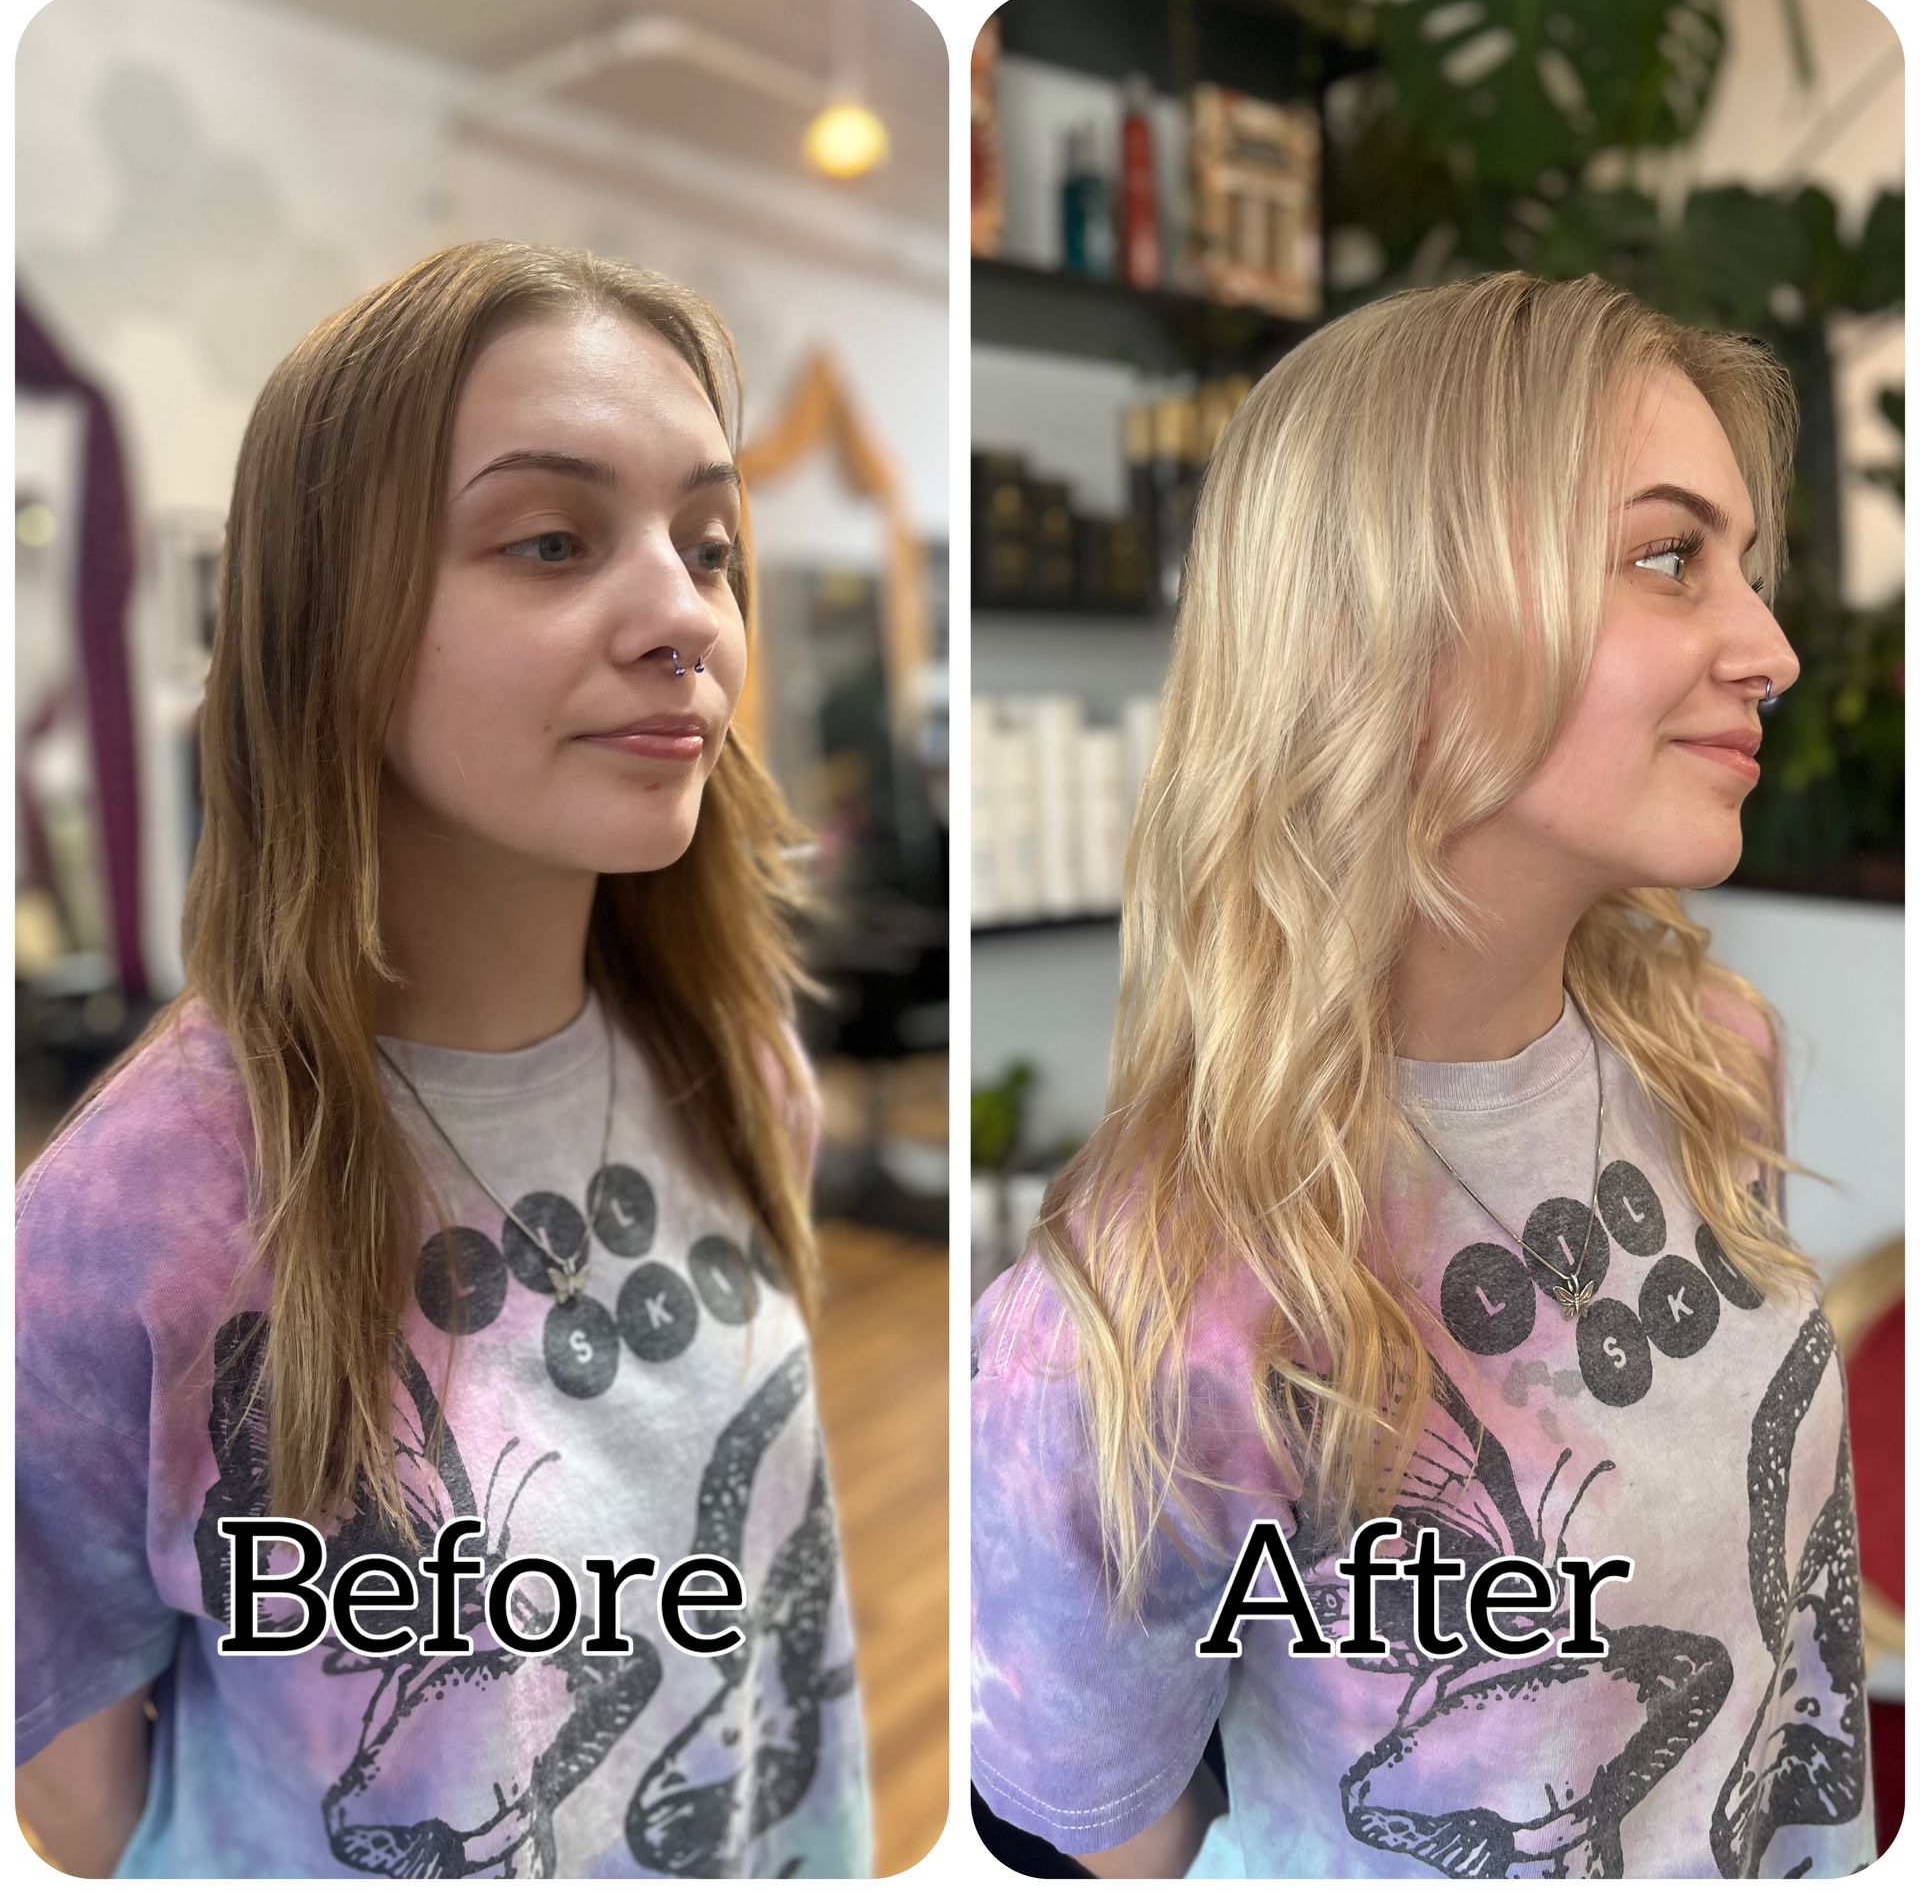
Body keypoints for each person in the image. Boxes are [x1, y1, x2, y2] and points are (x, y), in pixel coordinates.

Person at [970, 270, 1876, 1878]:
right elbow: (1110, 1841)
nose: (1773, 649)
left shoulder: (1708, 1056)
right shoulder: (1152, 1311)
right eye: (1671, 558)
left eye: (1747, 566)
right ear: (1399, 616)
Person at [16, 239, 872, 1878]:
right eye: (551, 541)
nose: (684, 616)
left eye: (709, 545)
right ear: (327, 619)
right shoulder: (129, 1220)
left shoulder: (743, 1073)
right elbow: (81, 1797)